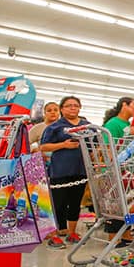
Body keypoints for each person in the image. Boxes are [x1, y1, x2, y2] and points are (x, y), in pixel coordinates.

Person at [40, 96, 91, 248]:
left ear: (80, 107)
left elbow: (93, 144)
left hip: (81, 170)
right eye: (68, 106)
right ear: (62, 109)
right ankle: (55, 234)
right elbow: (44, 147)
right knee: (59, 204)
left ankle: (72, 233)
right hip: (60, 171)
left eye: (75, 105)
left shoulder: (86, 126)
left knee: (76, 203)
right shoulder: (55, 127)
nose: (72, 108)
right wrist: (63, 145)